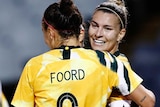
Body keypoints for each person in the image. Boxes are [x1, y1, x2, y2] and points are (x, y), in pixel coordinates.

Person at [11, 0, 155, 107]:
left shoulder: (34, 66)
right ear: (81, 32)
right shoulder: (108, 62)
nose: (99, 34)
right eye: (95, 25)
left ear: (50, 33)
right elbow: (148, 101)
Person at [86, 0, 156, 107]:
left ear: (120, 34)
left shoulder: (116, 65)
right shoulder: (85, 58)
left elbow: (148, 101)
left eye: (107, 28)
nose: (98, 34)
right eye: (95, 25)